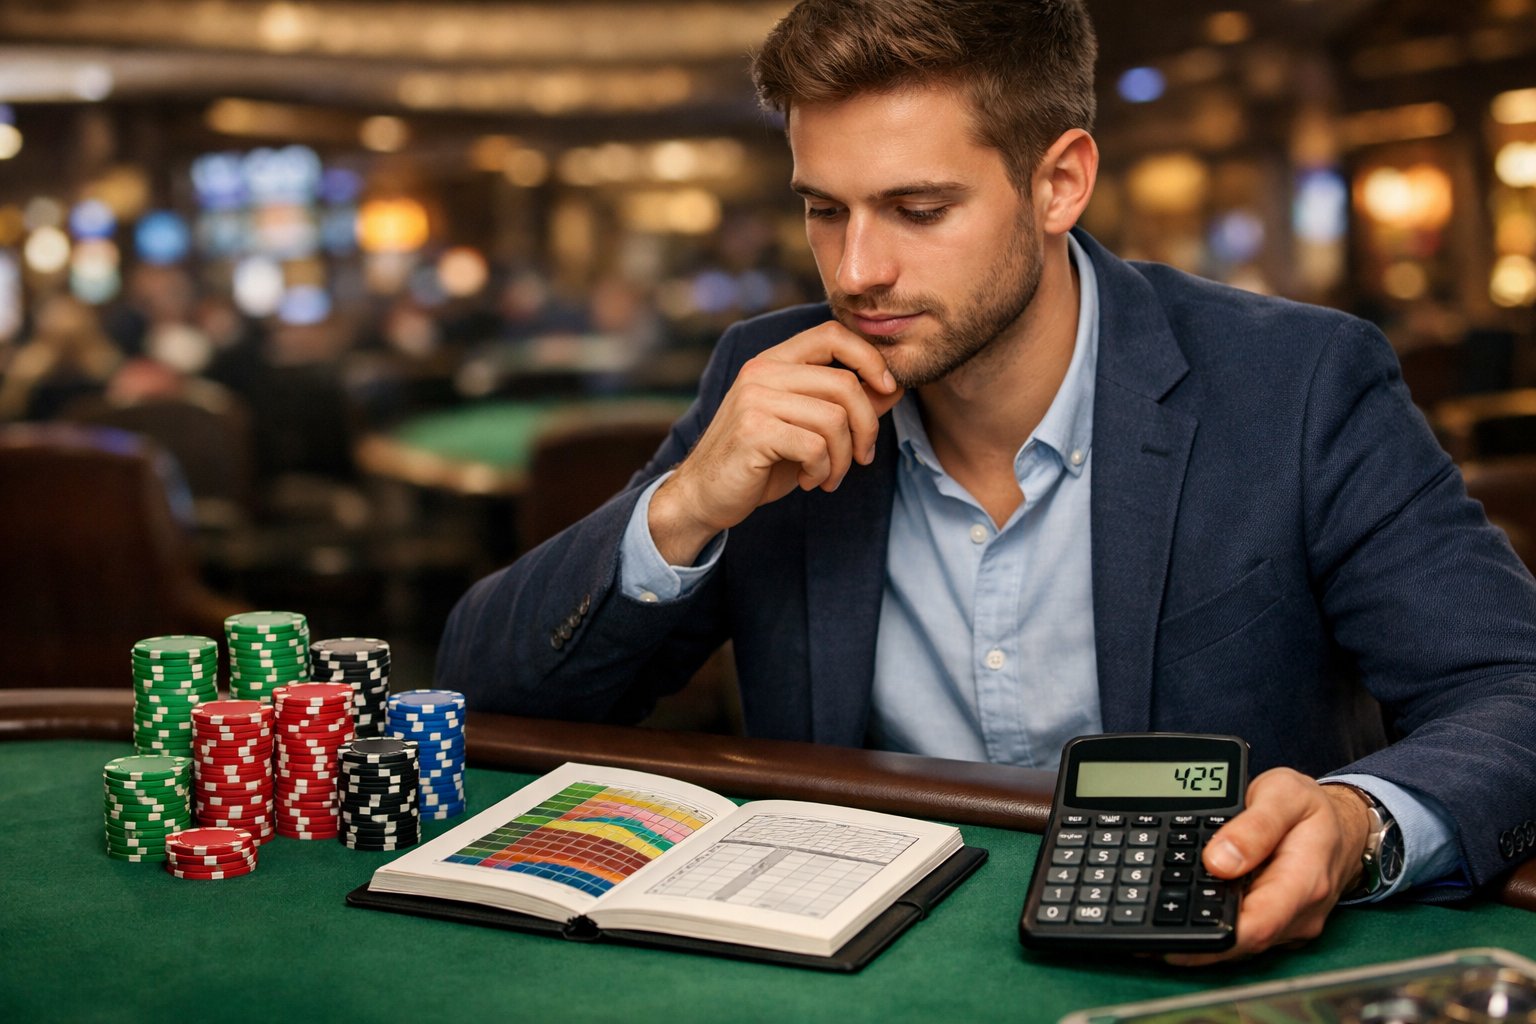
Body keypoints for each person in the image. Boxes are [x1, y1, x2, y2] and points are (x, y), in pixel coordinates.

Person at [438, 0, 1536, 964]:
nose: (857, 270)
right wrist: (682, 511)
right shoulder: (764, 376)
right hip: (853, 976)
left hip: (1198, 974)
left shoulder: (1296, 381)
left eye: (919, 211)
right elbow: (484, 698)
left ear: (1060, 181)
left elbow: (1512, 691)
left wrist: (1358, 820)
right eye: (825, 208)